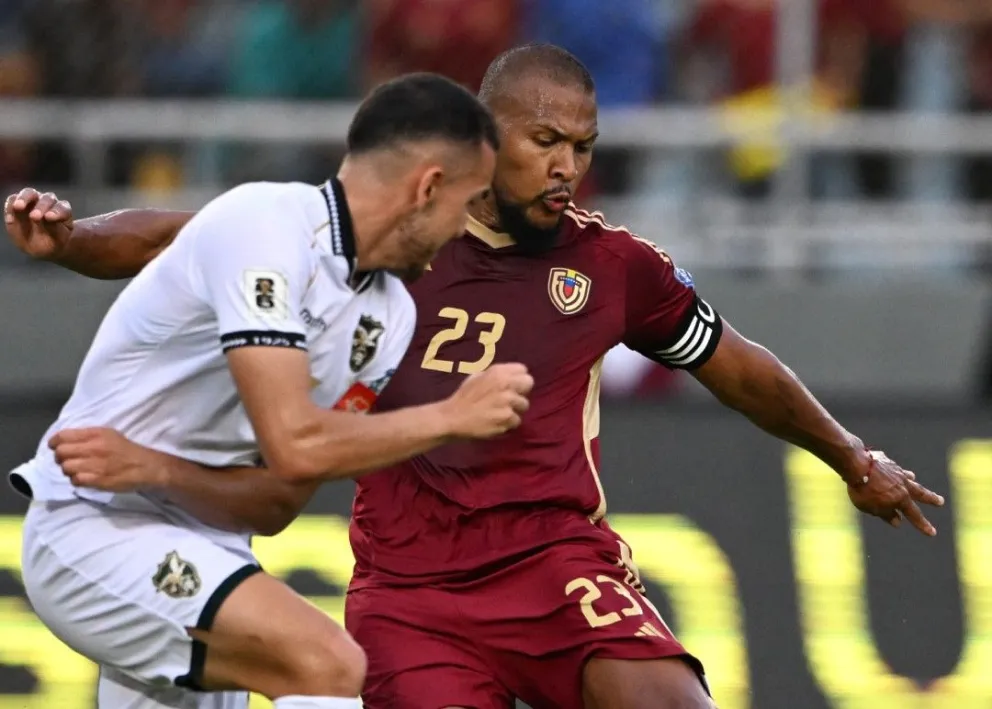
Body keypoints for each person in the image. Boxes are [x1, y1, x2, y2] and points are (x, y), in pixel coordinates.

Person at [5, 45, 944, 709]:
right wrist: (75, 239)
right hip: (412, 593)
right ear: (483, 139)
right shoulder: (389, 243)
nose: (567, 167)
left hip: (554, 565)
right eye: (545, 142)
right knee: (311, 669)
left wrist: (850, 454)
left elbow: (736, 365)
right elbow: (184, 236)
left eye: (582, 145)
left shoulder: (612, 266)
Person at [2, 72, 535, 709]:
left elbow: (278, 501)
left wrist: (158, 468)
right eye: (469, 201)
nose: (464, 230)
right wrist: (449, 417)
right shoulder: (268, 226)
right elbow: (297, 440)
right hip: (93, 526)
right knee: (326, 663)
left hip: (211, 547)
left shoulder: (390, 317)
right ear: (428, 187)